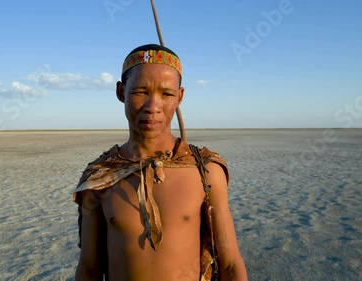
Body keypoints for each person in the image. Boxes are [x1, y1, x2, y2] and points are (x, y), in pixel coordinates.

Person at [73, 44, 247, 281]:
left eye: (167, 94)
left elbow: (230, 265)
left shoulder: (205, 171)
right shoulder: (100, 177)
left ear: (180, 97)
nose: (153, 107)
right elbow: (89, 269)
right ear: (121, 92)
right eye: (140, 92)